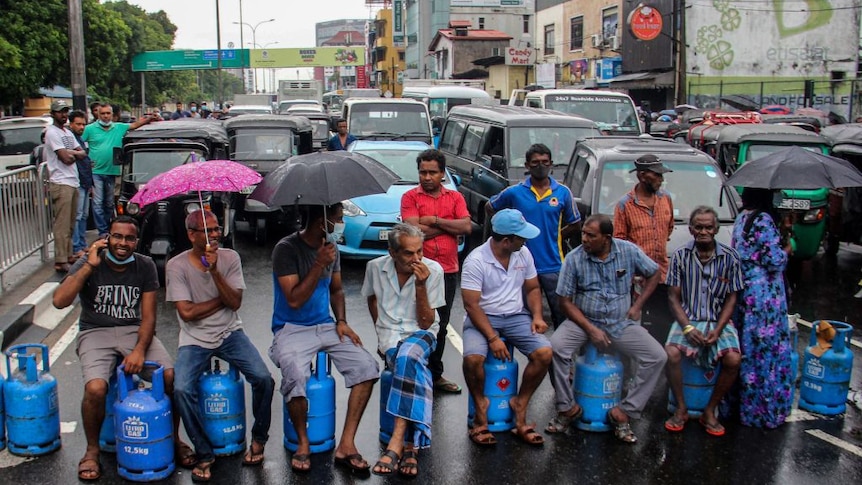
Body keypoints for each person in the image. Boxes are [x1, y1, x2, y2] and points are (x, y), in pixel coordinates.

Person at [52, 216, 190, 481]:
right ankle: (92, 450)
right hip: (95, 332)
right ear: (107, 238)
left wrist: (139, 350)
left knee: (171, 377)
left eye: (129, 238)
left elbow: (149, 317)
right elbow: (59, 301)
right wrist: (88, 267)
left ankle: (174, 438)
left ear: (136, 241)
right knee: (96, 388)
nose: (123, 243)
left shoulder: (145, 265)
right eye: (117, 236)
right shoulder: (90, 261)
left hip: (133, 330)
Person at [268, 203, 379, 474]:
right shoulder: (286, 249)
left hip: (326, 325)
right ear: (322, 221)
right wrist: (318, 264)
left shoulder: (332, 247)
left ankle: (347, 444)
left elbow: (337, 290)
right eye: (338, 219)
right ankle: (303, 444)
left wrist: (342, 321)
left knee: (367, 368)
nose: (340, 223)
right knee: (294, 374)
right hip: (291, 327)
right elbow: (293, 299)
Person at [166, 210, 275, 481]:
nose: (215, 235)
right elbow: (187, 314)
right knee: (180, 389)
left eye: (217, 229)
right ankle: (204, 452)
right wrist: (222, 300)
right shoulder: (176, 266)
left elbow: (236, 304)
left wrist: (215, 271)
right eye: (208, 230)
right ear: (192, 235)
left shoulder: (230, 257)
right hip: (194, 338)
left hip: (229, 332)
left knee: (263, 378)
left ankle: (259, 438)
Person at [548, 214, 666, 443]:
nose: (584, 239)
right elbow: (565, 302)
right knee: (555, 347)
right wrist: (590, 329)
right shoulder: (574, 258)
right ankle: (566, 408)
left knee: (657, 356)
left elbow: (654, 273)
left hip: (619, 322)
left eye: (590, 235)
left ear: (607, 238)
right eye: (583, 233)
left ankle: (626, 411)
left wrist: (638, 306)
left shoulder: (628, 251)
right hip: (582, 321)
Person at [461, 209, 552, 447]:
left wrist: (537, 316)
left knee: (544, 353)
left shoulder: (523, 254)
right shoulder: (476, 261)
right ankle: (481, 409)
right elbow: (471, 305)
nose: (525, 241)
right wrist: (492, 338)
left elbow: (532, 288)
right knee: (473, 359)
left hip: (515, 316)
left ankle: (520, 404)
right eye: (521, 237)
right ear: (505, 240)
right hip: (483, 316)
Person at [361, 224, 445, 477]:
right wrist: (380, 333)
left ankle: (399, 442)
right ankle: (413, 444)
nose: (417, 259)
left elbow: (427, 323)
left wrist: (421, 286)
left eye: (420, 251)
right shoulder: (375, 267)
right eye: (409, 253)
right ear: (392, 252)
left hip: (422, 334)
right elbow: (372, 298)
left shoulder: (434, 271)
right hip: (390, 337)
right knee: (410, 363)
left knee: (408, 356)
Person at [664, 206, 744, 437]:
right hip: (688, 318)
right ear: (691, 229)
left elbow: (732, 298)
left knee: (733, 359)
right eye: (698, 227)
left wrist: (718, 330)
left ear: (716, 229)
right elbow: (673, 297)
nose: (703, 231)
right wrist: (687, 327)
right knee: (670, 354)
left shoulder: (731, 257)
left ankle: (710, 410)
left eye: (708, 227)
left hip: (718, 321)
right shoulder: (680, 255)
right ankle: (681, 407)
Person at [401, 148, 472, 394]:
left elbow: (466, 226)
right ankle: (410, 370)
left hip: (448, 271)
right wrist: (448, 227)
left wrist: (435, 221)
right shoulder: (410, 197)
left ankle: (435, 374)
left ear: (442, 173)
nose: (427, 177)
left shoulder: (455, 198)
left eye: (432, 172)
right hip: (418, 270)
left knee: (440, 324)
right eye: (423, 172)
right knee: (414, 320)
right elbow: (414, 233)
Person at [488, 143, 580, 328]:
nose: (541, 166)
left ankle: (560, 355)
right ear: (527, 166)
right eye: (535, 162)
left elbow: (575, 223)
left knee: (562, 318)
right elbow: (490, 207)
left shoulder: (563, 192)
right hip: (519, 265)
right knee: (522, 318)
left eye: (545, 162)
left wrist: (556, 235)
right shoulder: (514, 192)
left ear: (551, 164)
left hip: (553, 264)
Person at [730, 188, 793, 428]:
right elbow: (774, 261)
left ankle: (742, 405)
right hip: (764, 294)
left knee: (748, 347)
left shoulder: (742, 217)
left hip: (746, 290)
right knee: (765, 351)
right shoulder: (764, 220)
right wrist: (787, 248)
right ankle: (761, 410)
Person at [613, 154, 675, 341]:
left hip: (662, 276)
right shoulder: (625, 205)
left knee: (661, 326)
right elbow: (619, 243)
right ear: (642, 176)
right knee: (635, 327)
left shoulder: (666, 199)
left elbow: (669, 228)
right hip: (637, 280)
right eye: (656, 175)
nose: (661, 179)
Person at [83, 103, 153, 238]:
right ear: (98, 114)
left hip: (112, 171)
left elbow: (135, 125)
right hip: (96, 172)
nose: (105, 116)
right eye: (102, 113)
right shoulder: (90, 129)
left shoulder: (118, 127)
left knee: (109, 203)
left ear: (112, 115)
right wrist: (86, 159)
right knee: (97, 203)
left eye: (108, 113)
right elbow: (79, 143)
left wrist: (150, 118)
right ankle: (102, 231)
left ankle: (109, 228)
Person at [45, 100, 86, 273]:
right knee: (61, 224)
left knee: (70, 222)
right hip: (61, 182)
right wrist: (74, 154)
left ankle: (68, 254)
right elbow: (66, 158)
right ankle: (60, 259)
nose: (63, 114)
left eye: (65, 111)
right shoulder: (52, 133)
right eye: (60, 112)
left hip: (72, 181)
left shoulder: (67, 132)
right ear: (53, 113)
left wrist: (73, 153)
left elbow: (83, 152)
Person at [68, 110, 94, 262]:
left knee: (83, 215)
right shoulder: (71, 139)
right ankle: (76, 246)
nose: (81, 127)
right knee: (77, 216)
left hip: (85, 181)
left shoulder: (81, 140)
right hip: (76, 182)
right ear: (71, 124)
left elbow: (85, 159)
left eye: (83, 124)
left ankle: (82, 244)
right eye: (78, 124)